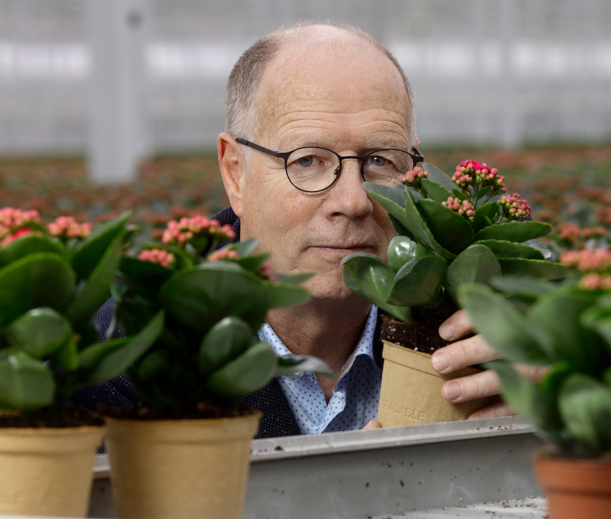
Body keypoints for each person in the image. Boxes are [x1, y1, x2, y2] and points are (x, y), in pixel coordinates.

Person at [73, 22, 510, 438]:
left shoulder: (480, 332)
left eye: (380, 161)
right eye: (307, 160)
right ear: (235, 173)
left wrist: (539, 417)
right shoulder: (119, 356)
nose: (353, 202)